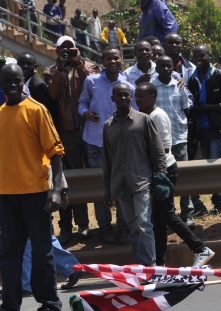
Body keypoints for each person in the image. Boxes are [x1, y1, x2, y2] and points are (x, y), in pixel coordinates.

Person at [0, 63, 65, 311]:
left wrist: (57, 190)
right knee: (9, 254)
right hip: (6, 196)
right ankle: (10, 309)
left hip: (36, 194)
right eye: (7, 82)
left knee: (41, 252)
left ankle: (50, 304)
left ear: (23, 81)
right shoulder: (1, 113)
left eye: (17, 81)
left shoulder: (37, 110)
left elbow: (56, 152)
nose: (12, 86)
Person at [134, 83, 215, 267]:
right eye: (136, 96)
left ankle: (201, 249)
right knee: (158, 220)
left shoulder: (157, 116)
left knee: (168, 215)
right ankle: (160, 263)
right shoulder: (147, 116)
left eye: (141, 96)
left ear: (152, 97)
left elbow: (164, 148)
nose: (137, 100)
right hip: (154, 171)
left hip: (163, 171)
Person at [102, 83, 165, 266]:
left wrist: (160, 176)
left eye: (126, 95)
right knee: (133, 228)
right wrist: (106, 187)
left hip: (141, 182)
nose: (123, 98)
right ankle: (141, 267)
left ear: (131, 97)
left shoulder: (143, 120)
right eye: (119, 95)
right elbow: (107, 159)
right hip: (120, 185)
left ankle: (151, 268)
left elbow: (157, 150)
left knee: (144, 225)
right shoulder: (108, 126)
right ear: (113, 99)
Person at [78, 47, 134, 244]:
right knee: (101, 185)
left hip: (120, 143)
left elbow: (133, 113)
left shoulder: (128, 84)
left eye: (116, 58)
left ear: (121, 60)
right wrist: (85, 113)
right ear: (103, 60)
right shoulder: (91, 81)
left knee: (121, 184)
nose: (113, 61)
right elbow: (82, 103)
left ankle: (123, 227)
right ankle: (104, 227)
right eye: (109, 58)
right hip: (94, 141)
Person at [48, 36, 99, 243]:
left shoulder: (88, 66)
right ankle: (81, 224)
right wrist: (60, 70)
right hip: (68, 131)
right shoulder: (53, 71)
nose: (67, 52)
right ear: (57, 50)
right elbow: (52, 94)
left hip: (90, 128)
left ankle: (98, 224)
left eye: (71, 48)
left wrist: (78, 63)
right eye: (63, 49)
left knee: (94, 175)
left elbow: (94, 85)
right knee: (75, 178)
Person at [152, 54, 198, 223]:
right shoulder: (151, 87)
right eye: (161, 66)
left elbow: (186, 109)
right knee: (163, 178)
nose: (165, 69)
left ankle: (187, 213)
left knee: (183, 176)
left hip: (179, 138)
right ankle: (167, 213)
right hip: (158, 142)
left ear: (173, 68)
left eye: (168, 66)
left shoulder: (180, 86)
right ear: (156, 69)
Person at [189, 44, 221, 216]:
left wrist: (207, 107)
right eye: (196, 56)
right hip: (202, 129)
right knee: (209, 165)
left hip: (217, 127)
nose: (199, 59)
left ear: (209, 56)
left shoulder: (219, 76)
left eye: (202, 56)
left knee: (217, 165)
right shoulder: (192, 79)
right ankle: (217, 203)